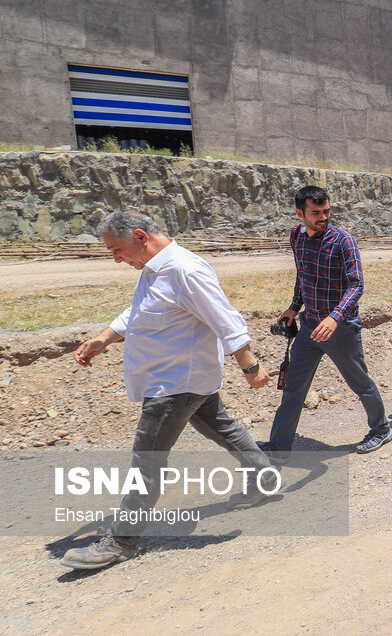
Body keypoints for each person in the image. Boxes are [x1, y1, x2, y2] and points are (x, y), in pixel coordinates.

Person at [62, 211, 273, 569]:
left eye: (116, 249)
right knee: (220, 426)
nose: (115, 258)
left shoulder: (184, 270)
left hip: (175, 384)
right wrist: (104, 338)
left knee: (147, 459)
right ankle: (264, 475)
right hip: (185, 377)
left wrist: (250, 366)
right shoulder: (153, 269)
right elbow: (140, 313)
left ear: (140, 236)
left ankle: (122, 538)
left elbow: (225, 318)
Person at [259, 186, 392, 460]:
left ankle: (381, 429)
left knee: (359, 381)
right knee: (294, 386)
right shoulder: (296, 235)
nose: (323, 217)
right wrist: (294, 307)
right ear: (300, 214)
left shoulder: (344, 241)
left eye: (327, 211)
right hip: (309, 325)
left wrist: (335, 317)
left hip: (340, 328)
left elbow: (356, 285)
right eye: (316, 213)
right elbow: (303, 274)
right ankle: (279, 446)